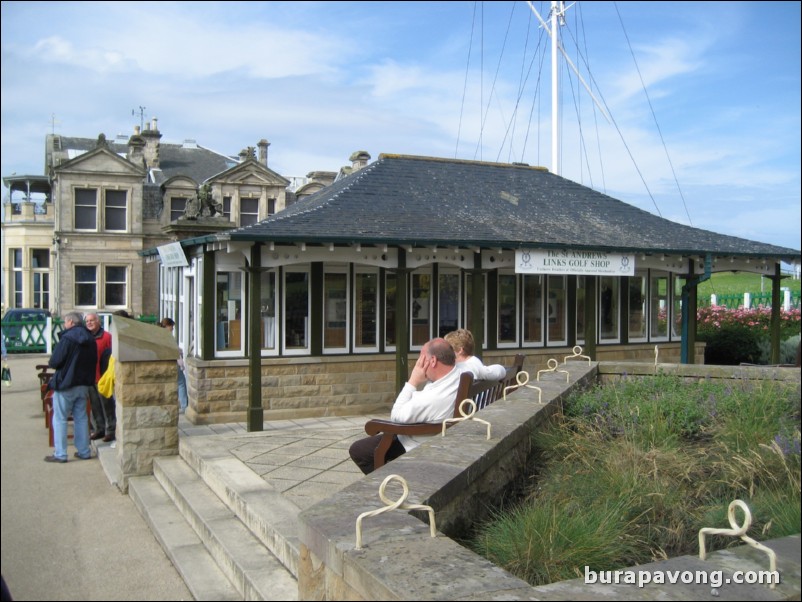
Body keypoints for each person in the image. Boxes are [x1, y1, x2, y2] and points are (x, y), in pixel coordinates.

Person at [349, 338, 461, 475]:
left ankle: (390, 488)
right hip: (434, 434)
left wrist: (413, 381)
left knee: (359, 451)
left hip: (416, 442)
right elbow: (494, 370)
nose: (418, 363)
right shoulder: (459, 374)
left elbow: (396, 417)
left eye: (421, 357)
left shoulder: (433, 397)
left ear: (432, 361)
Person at [44, 311, 97, 463]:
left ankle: (60, 453)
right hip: (84, 383)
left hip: (67, 383)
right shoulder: (90, 338)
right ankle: (84, 451)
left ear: (71, 323)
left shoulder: (68, 338)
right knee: (81, 418)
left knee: (60, 418)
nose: (64, 324)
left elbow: (55, 361)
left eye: (65, 322)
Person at [85, 313, 115, 442]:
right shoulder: (85, 337)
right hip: (90, 377)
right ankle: (99, 429)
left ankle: (111, 430)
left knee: (107, 406)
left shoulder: (107, 337)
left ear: (98, 322)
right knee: (95, 406)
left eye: (92, 320)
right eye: (87, 321)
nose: (89, 323)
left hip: (103, 378)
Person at [160, 318, 188, 414]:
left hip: (165, 363)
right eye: (172, 326)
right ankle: (184, 406)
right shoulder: (167, 336)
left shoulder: (160, 335)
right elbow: (173, 350)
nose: (172, 328)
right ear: (167, 326)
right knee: (181, 383)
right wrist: (181, 361)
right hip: (172, 362)